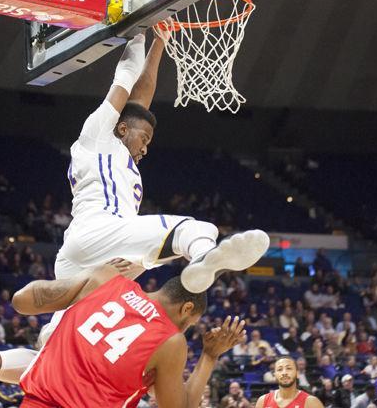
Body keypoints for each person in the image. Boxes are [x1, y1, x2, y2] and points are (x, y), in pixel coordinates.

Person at [52, 28, 269, 294]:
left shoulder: (119, 160)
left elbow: (141, 102)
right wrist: (138, 31)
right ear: (122, 129)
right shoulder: (98, 136)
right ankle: (203, 256)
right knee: (196, 230)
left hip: (80, 254)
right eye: (143, 140)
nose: (145, 149)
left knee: (69, 323)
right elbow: (125, 78)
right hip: (98, 231)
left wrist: (160, 42)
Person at [0, 263, 245, 408]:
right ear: (187, 309)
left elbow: (22, 300)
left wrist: (85, 282)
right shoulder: (171, 341)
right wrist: (209, 356)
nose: (185, 329)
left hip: (36, 400)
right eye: (189, 322)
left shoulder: (106, 278)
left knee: (44, 346)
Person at [255, 356, 323, 408]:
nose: (284, 373)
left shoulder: (311, 402)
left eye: (289, 368)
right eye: (279, 369)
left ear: (297, 373)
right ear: (275, 375)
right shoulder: (263, 401)